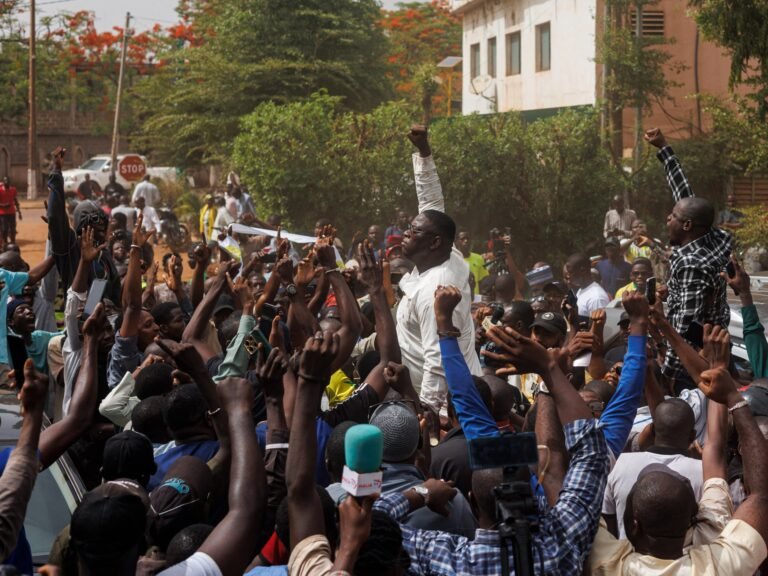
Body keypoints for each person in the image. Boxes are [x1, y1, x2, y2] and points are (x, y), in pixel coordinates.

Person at [590, 366, 768, 575]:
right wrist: (733, 398)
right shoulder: (720, 566)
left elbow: (567, 483)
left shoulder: (606, 563)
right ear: (693, 522)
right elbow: (760, 495)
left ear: (634, 525)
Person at [397, 125, 482, 412]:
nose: (405, 234)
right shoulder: (448, 254)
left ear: (434, 242)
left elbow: (438, 360)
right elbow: (431, 203)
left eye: (414, 231)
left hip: (448, 409)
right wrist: (424, 153)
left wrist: (430, 416)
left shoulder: (436, 290)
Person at [645, 127, 732, 388]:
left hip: (694, 364)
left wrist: (670, 375)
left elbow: (684, 327)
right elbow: (685, 196)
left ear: (686, 226)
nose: (667, 218)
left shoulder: (691, 264)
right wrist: (664, 149)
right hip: (718, 348)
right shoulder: (717, 238)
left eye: (672, 216)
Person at [456, 229, 487, 295]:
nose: (466, 241)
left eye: (468, 238)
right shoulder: (452, 259)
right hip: (459, 298)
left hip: (475, 298)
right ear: (457, 241)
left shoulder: (479, 258)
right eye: (462, 239)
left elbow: (483, 281)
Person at [0, 177, 21, 247]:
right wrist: (4, 205)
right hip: (2, 213)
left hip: (12, 212)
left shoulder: (13, 190)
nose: (7, 183)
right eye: (5, 182)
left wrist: (19, 212)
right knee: (4, 229)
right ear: (3, 182)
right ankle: (5, 243)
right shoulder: (0, 190)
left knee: (13, 229)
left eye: (8, 182)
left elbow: (16, 201)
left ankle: (13, 242)